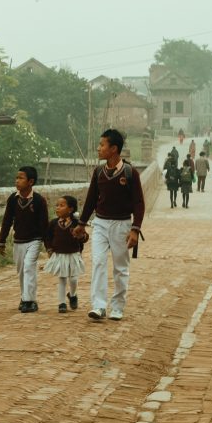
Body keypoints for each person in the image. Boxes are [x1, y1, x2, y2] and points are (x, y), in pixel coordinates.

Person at [73, 129, 145, 321]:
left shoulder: (130, 173)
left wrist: (135, 229)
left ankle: (118, 306)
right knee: (98, 262)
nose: (98, 148)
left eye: (102, 145)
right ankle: (98, 305)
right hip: (100, 223)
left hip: (122, 225)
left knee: (120, 267)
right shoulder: (98, 173)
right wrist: (82, 224)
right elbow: (90, 200)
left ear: (113, 149)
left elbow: (139, 203)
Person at [0, 166, 49, 313]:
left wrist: (48, 245)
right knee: (21, 271)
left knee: (28, 267)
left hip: (34, 240)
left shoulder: (39, 200)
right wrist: (1, 241)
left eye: (21, 178)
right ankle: (24, 297)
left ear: (31, 181)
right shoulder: (13, 200)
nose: (17, 181)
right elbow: (7, 220)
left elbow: (44, 224)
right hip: (18, 241)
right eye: (17, 178)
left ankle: (30, 300)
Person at [44, 195, 88, 314]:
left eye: (61, 205)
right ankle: (61, 303)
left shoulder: (77, 223)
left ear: (70, 209)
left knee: (73, 278)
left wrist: (82, 236)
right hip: (59, 254)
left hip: (73, 254)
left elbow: (84, 237)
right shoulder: (53, 223)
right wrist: (49, 249)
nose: (58, 208)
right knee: (62, 278)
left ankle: (72, 295)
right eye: (57, 205)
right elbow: (47, 237)